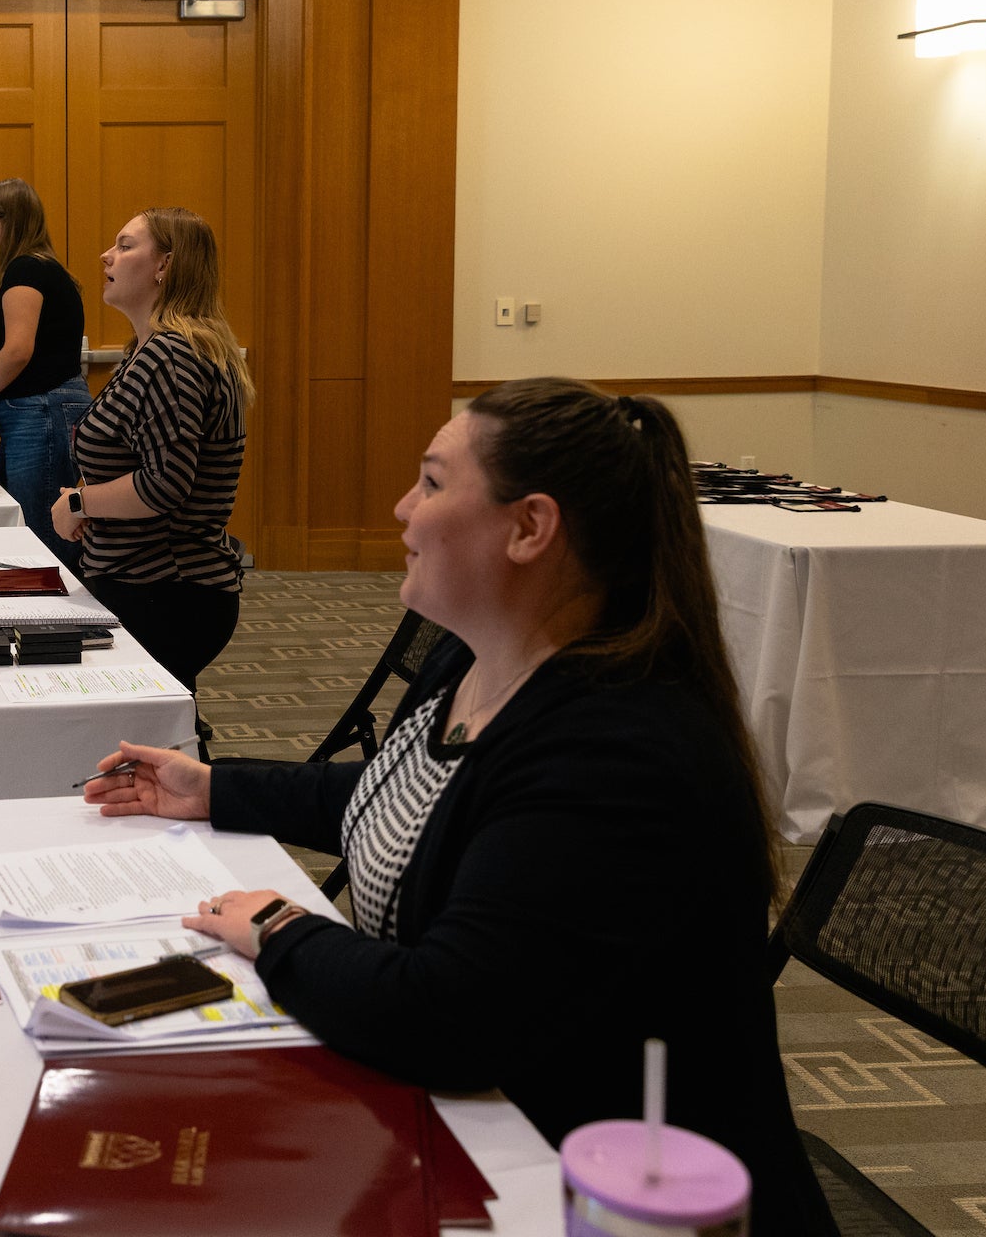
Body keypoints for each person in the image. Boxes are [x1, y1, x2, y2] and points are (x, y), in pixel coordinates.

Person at [83, 377, 833, 1236]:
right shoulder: (475, 661)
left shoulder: (614, 749)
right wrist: (215, 788)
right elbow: (412, 804)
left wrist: (279, 928)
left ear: (529, 528)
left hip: (604, 1193)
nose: (403, 508)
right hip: (492, 1126)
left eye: (433, 484)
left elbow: (443, 1017)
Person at [51, 207, 249, 732]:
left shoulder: (171, 358)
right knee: (146, 746)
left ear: (165, 265)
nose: (106, 256)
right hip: (152, 583)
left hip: (166, 590)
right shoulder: (149, 351)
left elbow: (165, 485)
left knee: (138, 747)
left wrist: (80, 502)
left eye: (125, 245)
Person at [0, 178, 89, 567]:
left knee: (43, 538)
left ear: (9, 222)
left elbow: (16, 350)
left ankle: (57, 624)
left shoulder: (27, 269)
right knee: (24, 530)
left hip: (42, 413)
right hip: (39, 412)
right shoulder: (35, 269)